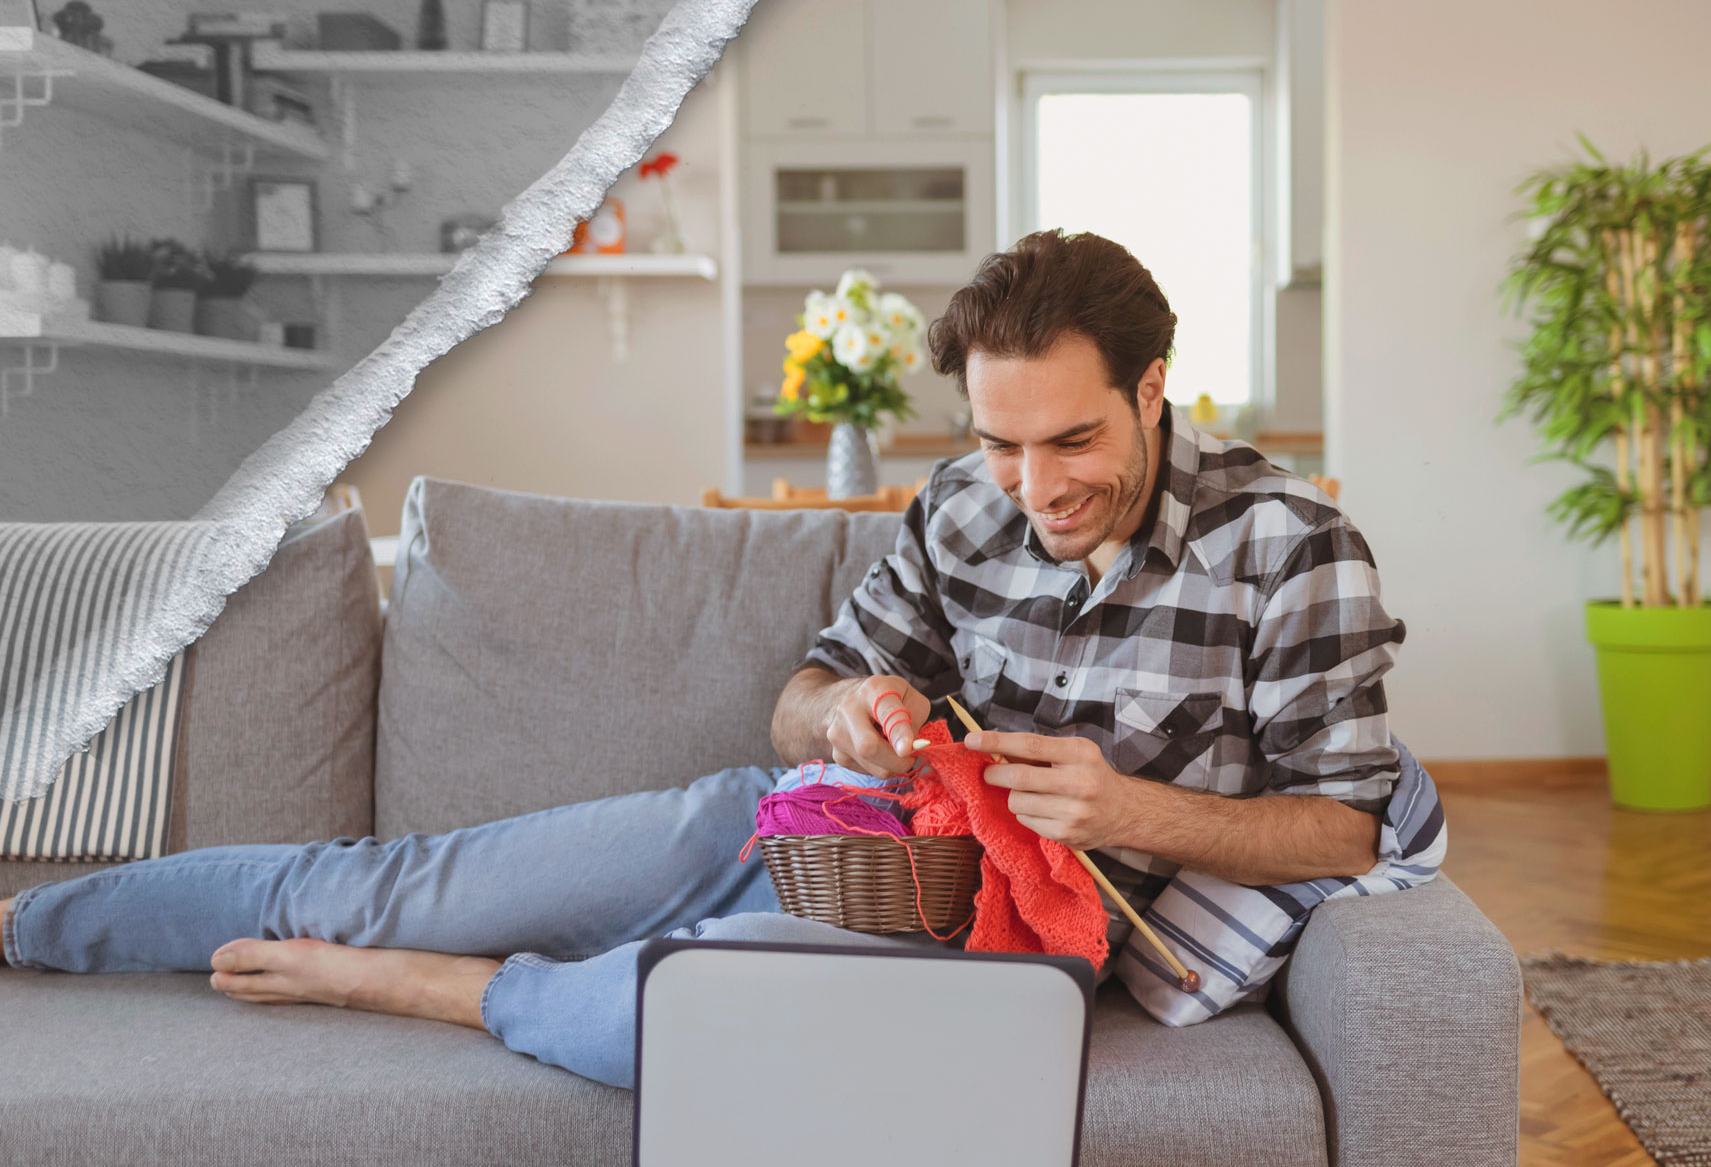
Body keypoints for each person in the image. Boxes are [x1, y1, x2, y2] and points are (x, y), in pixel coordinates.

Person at [0, 229, 1443, 1087]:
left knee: (700, 1010)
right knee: (371, 877)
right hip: (820, 831)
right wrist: (850, 719)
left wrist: (1126, 812)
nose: (1033, 484)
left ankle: (442, 986)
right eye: (999, 441)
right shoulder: (959, 503)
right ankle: (28, 926)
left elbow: (1344, 824)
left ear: (1150, 391)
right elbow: (802, 691)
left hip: (994, 944)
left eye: (1071, 440)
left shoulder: (1291, 549)